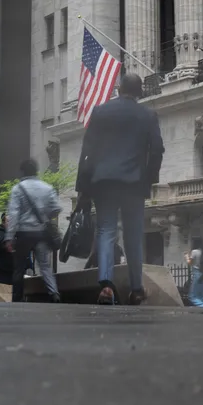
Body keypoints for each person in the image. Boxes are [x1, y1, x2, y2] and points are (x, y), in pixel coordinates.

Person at [75, 73, 164, 305]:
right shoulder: (148, 115)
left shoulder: (100, 112)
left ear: (119, 88)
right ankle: (136, 288)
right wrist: (149, 179)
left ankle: (105, 284)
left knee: (106, 230)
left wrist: (83, 186)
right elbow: (157, 150)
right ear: (140, 91)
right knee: (133, 235)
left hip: (103, 181)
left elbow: (88, 151)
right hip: (133, 183)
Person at [5, 159, 61, 303]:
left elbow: (14, 214)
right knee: (44, 265)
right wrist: (45, 216)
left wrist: (9, 237)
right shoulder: (47, 188)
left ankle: (17, 298)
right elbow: (57, 208)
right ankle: (54, 293)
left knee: (19, 267)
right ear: (36, 171)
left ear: (22, 171)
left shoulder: (18, 189)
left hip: (23, 233)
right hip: (41, 232)